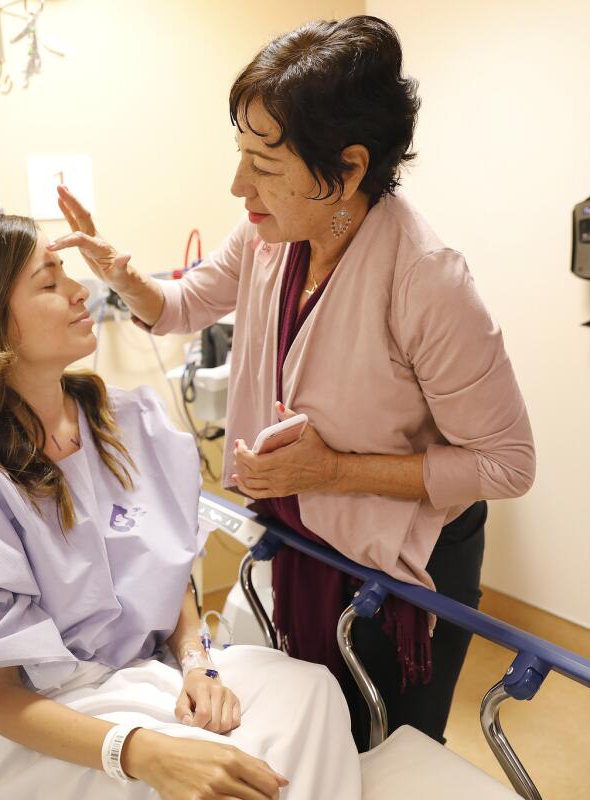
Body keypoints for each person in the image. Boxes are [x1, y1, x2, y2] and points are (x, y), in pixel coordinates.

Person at [49, 15, 535, 751]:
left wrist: (333, 470)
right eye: (240, 154)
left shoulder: (426, 280)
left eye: (265, 165)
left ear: (345, 167)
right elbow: (182, 306)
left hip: (402, 566)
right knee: (315, 736)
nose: (239, 184)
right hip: (312, 542)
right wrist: (118, 273)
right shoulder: (268, 235)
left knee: (386, 754)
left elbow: (507, 464)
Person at [0, 213, 361, 799]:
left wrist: (198, 665)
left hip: (137, 675)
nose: (82, 291)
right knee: (193, 773)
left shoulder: (128, 423)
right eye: (50, 282)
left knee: (310, 690)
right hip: (24, 722)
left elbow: (168, 570)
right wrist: (141, 751)